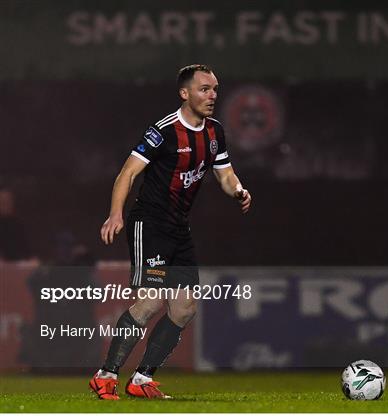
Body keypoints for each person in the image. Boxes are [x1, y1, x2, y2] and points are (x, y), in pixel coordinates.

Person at [89, 64, 252, 400]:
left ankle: (142, 379)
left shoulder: (215, 132)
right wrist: (115, 214)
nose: (213, 96)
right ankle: (105, 375)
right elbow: (127, 174)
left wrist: (238, 189)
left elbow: (225, 174)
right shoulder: (163, 131)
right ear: (185, 93)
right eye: (205, 89)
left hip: (179, 228)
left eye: (215, 89)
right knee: (150, 301)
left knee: (184, 308)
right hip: (149, 224)